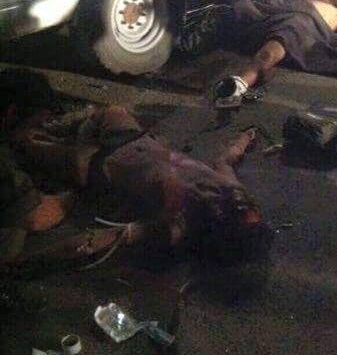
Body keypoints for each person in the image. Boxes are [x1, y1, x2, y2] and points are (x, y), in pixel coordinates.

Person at [1, 72, 272, 270]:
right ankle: (54, 131)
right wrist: (245, 138)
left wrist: (27, 263)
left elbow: (95, 241)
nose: (244, 207)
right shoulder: (233, 192)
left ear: (224, 227)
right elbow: (226, 161)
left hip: (101, 163)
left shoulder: (182, 223)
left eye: (243, 215)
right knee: (112, 112)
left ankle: (33, 138)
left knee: (36, 148)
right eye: (250, 210)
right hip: (136, 141)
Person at [212, 0, 337, 108]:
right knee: (240, 5)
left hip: (302, 20)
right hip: (277, 13)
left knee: (278, 43)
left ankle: (240, 84)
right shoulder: (301, 0)